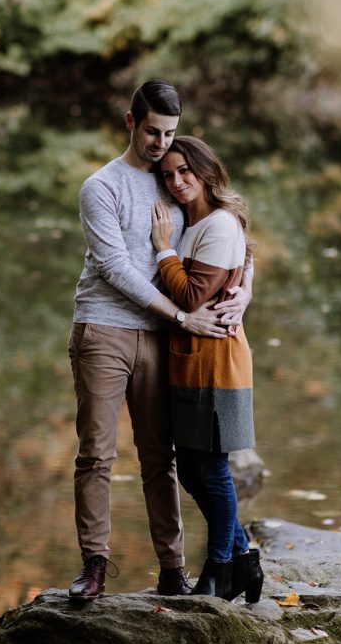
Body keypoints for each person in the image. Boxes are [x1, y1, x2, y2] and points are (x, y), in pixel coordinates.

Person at [66, 81, 251, 603]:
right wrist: (181, 315)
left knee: (160, 458)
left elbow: (226, 224)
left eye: (169, 133)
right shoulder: (101, 187)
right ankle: (95, 566)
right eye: (152, 131)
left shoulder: (175, 177)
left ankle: (173, 570)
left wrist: (246, 288)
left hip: (162, 339)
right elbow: (115, 267)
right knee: (97, 455)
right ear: (130, 122)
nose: (160, 143)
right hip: (104, 328)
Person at [148, 136, 263, 603]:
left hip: (216, 361)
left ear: (206, 171)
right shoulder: (189, 224)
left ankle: (219, 571)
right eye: (168, 174)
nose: (176, 182)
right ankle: (244, 562)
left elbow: (193, 296)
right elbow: (244, 258)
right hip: (188, 362)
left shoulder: (217, 222)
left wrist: (162, 250)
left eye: (184, 172)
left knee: (210, 470)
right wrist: (248, 282)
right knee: (194, 473)